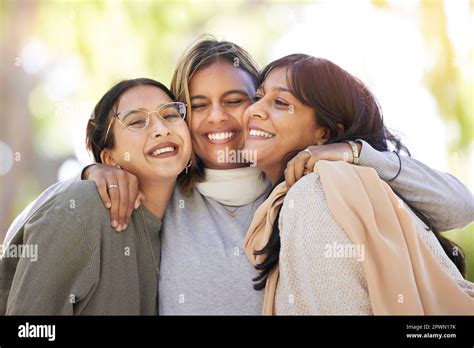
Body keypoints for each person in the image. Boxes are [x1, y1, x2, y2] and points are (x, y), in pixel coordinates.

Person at [3, 38, 474, 315]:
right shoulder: (165, 198)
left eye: (236, 100)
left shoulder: (300, 188)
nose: (219, 121)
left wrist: (356, 152)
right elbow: (50, 227)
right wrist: (95, 170)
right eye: (199, 105)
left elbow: (459, 205)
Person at [242, 54, 474, 315]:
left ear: (324, 134)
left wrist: (357, 153)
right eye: (257, 97)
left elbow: (464, 206)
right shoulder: (291, 200)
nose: (254, 110)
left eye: (281, 102)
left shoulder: (315, 191)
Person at [0, 78, 192, 314]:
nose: (161, 130)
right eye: (137, 121)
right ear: (109, 159)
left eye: (171, 115)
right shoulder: (81, 209)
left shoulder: (187, 221)